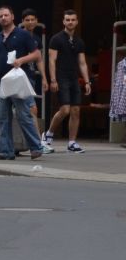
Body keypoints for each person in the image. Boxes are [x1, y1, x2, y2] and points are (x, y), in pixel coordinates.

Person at [0, 5, 43, 160]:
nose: (3, 18)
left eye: (6, 15)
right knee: (2, 117)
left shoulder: (23, 35)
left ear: (12, 16)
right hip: (1, 81)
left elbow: (36, 54)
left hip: (18, 79)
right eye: (0, 16)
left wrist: (21, 60)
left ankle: (36, 147)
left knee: (24, 114)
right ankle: (5, 151)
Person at [45, 9, 92, 153]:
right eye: (68, 20)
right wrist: (53, 80)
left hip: (73, 77)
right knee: (65, 109)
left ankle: (72, 142)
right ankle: (48, 135)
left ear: (77, 21)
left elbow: (82, 63)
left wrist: (87, 81)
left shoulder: (79, 41)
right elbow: (52, 60)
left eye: (73, 19)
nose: (70, 22)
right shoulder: (56, 39)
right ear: (64, 21)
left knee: (76, 110)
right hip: (61, 76)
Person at [20, 9, 50, 147]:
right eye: (27, 20)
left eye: (33, 19)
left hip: (31, 76)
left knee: (28, 110)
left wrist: (44, 78)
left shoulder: (37, 40)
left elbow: (39, 60)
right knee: (32, 109)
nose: (30, 22)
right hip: (20, 77)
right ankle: (37, 142)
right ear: (22, 22)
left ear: (37, 21)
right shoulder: (18, 36)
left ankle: (34, 142)